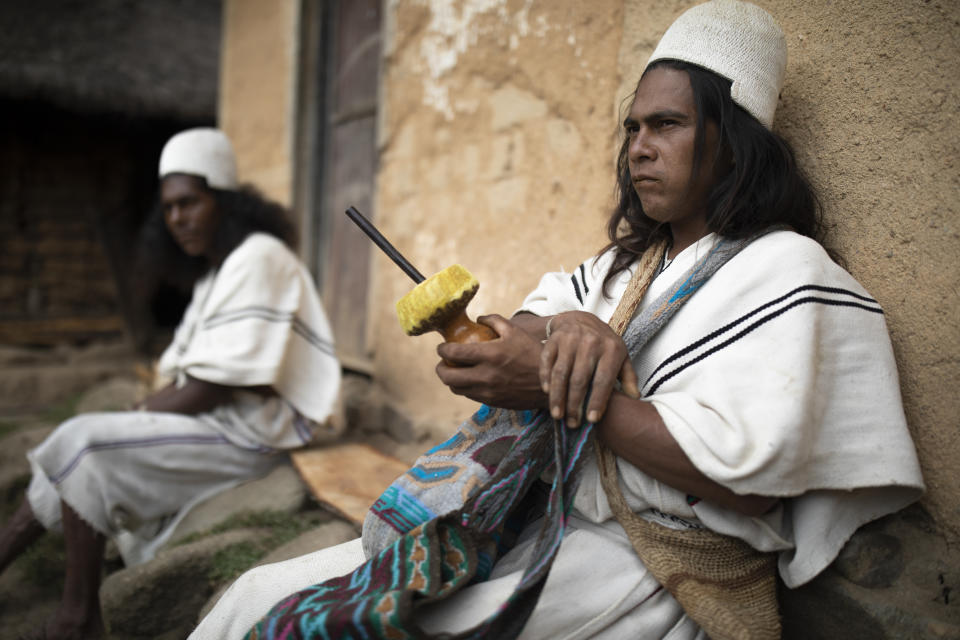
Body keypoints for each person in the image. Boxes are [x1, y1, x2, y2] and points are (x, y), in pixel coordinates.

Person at [191, 2, 924, 638]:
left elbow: (750, 482)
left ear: (732, 139)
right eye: (633, 127)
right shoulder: (624, 268)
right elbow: (526, 322)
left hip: (649, 567)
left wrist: (555, 388)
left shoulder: (784, 270)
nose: (638, 147)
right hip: (534, 517)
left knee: (357, 626)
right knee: (256, 593)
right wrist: (568, 329)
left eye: (666, 125)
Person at [0, 128, 342, 639]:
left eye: (190, 203)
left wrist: (133, 419)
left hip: (252, 437)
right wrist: (141, 414)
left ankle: (77, 616)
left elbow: (211, 387)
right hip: (215, 424)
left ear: (223, 202)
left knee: (84, 440)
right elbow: (188, 378)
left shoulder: (261, 256)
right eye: (170, 208)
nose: (178, 218)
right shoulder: (213, 277)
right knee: (77, 447)